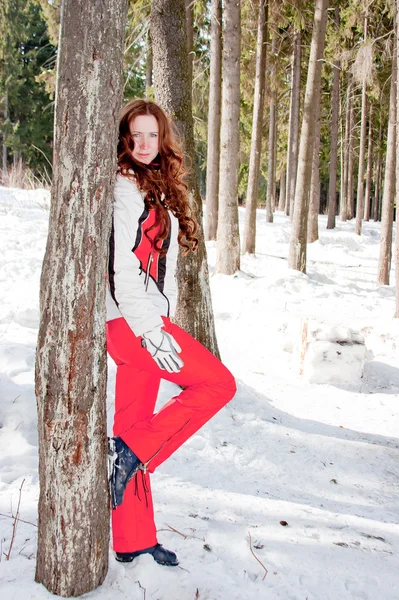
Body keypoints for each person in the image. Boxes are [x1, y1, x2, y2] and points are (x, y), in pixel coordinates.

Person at [106, 99, 236, 567]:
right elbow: (122, 268)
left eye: (151, 136)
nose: (143, 144)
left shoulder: (152, 187)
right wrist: (150, 330)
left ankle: (132, 540)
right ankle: (130, 453)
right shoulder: (123, 188)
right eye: (134, 135)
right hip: (133, 324)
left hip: (138, 322)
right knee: (218, 384)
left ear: (163, 141)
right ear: (123, 137)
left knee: (134, 431)